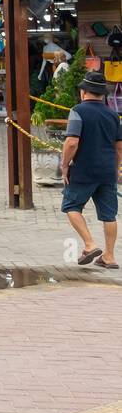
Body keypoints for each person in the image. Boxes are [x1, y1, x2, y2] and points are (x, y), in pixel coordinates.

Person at [61, 70, 122, 269]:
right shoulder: (114, 115)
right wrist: (116, 167)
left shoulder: (78, 111)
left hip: (83, 170)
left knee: (71, 206)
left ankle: (89, 244)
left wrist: (64, 165)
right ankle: (110, 256)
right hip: (107, 171)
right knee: (109, 214)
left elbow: (72, 142)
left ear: (83, 91)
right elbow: (119, 147)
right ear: (102, 94)